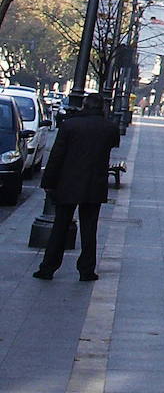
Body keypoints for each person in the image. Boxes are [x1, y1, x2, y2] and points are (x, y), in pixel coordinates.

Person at [33, 95, 120, 282]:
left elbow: (56, 155)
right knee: (90, 228)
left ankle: (48, 267)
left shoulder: (70, 125)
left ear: (84, 105)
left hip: (68, 182)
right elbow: (113, 144)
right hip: (94, 184)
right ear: (102, 108)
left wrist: (48, 182)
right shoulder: (109, 128)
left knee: (60, 226)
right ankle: (86, 270)